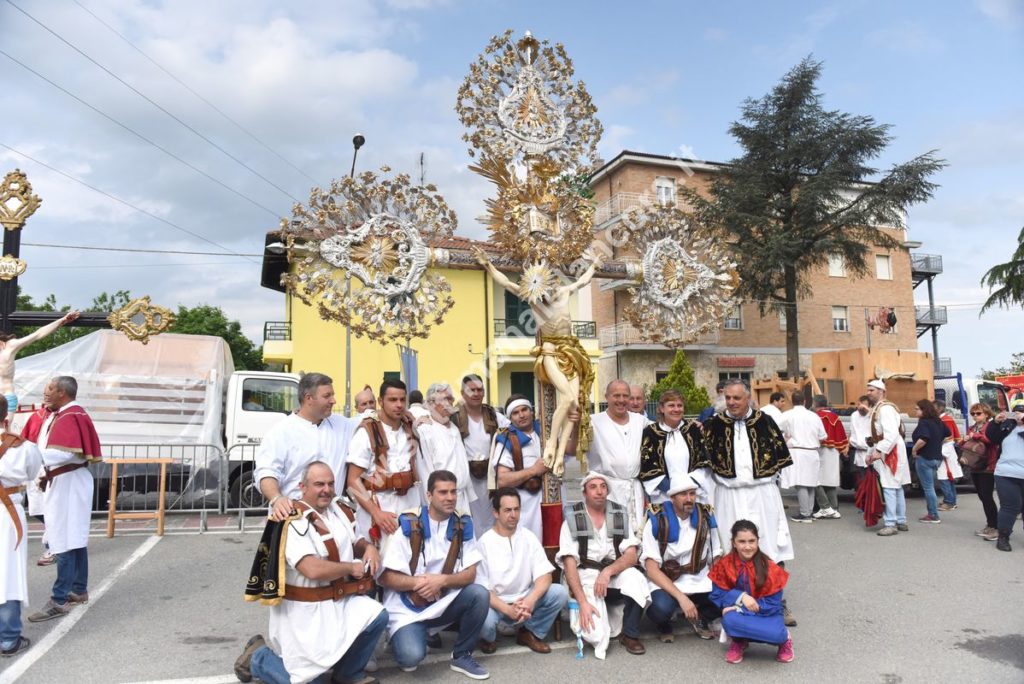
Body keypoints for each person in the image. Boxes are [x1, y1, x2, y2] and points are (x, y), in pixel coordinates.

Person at [235, 462, 386, 684]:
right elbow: (311, 569)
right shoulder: (292, 519)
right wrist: (350, 568)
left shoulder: (339, 510)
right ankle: (258, 657)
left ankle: (348, 673)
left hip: (338, 604)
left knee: (377, 615)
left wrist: (370, 548)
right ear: (302, 486)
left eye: (330, 484)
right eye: (319, 484)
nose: (326, 489)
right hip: (304, 616)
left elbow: (355, 541)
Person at [474, 247, 601, 477]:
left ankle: (560, 454)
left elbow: (583, 281)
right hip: (550, 351)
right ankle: (551, 444)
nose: (548, 289)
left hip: (571, 350)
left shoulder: (564, 292)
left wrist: (594, 266)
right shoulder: (534, 302)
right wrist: (488, 264)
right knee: (570, 397)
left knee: (573, 403)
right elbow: (506, 284)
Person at [691, 379, 795, 625]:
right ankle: (731, 601)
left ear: (748, 398)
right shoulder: (714, 425)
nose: (731, 403)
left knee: (768, 545)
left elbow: (780, 458)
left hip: (762, 493)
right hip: (728, 494)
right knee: (729, 547)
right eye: (728, 398)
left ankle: (776, 603)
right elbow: (703, 465)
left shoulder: (765, 422)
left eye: (736, 398)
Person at [378, 470, 490, 679]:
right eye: (443, 492)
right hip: (407, 608)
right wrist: (420, 583)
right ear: (429, 496)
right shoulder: (408, 523)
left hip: (442, 601)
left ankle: (462, 655)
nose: (450, 498)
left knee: (479, 594)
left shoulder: (462, 523)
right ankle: (406, 637)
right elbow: (385, 577)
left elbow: (470, 574)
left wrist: (441, 581)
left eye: (453, 492)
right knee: (411, 658)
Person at [23, 377, 101, 622]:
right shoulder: (65, 414)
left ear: (63, 393)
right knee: (73, 536)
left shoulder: (70, 416)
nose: (45, 394)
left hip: (68, 483)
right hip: (68, 482)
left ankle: (59, 599)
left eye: (50, 390)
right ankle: (78, 589)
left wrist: (24, 454)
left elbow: (62, 453)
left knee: (63, 539)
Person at [557, 472, 650, 659]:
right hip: (585, 577)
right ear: (584, 493)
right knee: (596, 636)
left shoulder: (619, 514)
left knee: (637, 579)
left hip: (611, 574)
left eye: (603, 487)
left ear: (607, 491)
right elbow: (569, 564)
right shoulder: (573, 518)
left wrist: (608, 571)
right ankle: (598, 608)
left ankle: (630, 634)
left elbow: (631, 555)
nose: (599, 491)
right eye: (593, 487)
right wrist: (582, 602)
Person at [477, 487, 567, 654]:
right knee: (483, 619)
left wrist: (530, 601)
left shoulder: (528, 536)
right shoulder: (484, 543)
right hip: (497, 604)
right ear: (496, 513)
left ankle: (529, 633)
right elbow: (482, 590)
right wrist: (507, 610)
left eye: (516, 509)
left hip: (524, 601)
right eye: (507, 510)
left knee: (559, 593)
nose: (513, 515)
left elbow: (545, 575)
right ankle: (488, 638)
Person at [254, 373, 352, 523]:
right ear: (308, 398)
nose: (333, 401)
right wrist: (277, 499)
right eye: (327, 396)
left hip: (333, 519)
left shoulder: (342, 425)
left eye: (332, 395)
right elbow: (266, 473)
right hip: (295, 518)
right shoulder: (281, 432)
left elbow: (371, 419)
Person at [641, 477, 723, 642]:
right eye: (683, 494)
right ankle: (664, 623)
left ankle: (702, 617)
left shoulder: (705, 516)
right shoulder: (657, 520)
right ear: (672, 498)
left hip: (699, 577)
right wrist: (681, 597)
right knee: (660, 609)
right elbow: (651, 569)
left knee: (726, 594)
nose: (689, 498)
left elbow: (716, 555)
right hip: (667, 580)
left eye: (692, 494)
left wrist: (724, 582)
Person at [346, 378, 422, 540]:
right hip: (379, 509)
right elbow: (353, 481)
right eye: (392, 400)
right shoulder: (367, 432)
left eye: (402, 400)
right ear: (381, 401)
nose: (399, 405)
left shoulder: (410, 427)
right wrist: (377, 513)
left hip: (409, 507)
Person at [709, 520, 793, 664]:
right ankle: (739, 640)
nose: (747, 547)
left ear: (757, 541)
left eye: (751, 541)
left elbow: (773, 604)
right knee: (729, 621)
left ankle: (784, 641)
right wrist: (741, 596)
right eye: (742, 541)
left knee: (777, 635)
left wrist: (740, 607)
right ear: (733, 543)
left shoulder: (769, 567)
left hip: (767, 613)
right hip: (739, 614)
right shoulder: (724, 565)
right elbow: (717, 594)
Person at [0, 400, 42, 657]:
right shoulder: (22, 447)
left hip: (8, 511)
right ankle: (7, 637)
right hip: (8, 512)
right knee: (8, 571)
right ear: (6, 417)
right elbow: (33, 470)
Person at [587, 380, 648, 534]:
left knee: (638, 535)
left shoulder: (640, 421)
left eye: (625, 396)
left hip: (634, 489)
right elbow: (571, 448)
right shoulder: (593, 422)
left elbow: (662, 431)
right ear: (606, 396)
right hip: (607, 490)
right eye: (616, 395)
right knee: (611, 538)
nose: (621, 400)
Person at [455, 374, 510, 537]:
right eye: (472, 390)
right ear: (463, 393)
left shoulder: (494, 416)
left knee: (491, 516)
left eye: (480, 390)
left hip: (490, 477)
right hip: (467, 479)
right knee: (468, 518)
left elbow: (511, 430)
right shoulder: (455, 417)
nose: (476, 393)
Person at [0, 311, 79, 415]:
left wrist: (62, 320)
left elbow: (38, 334)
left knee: (3, 430)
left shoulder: (10, 346)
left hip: (6, 396)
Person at [493, 396, 549, 541]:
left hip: (553, 504)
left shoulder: (546, 432)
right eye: (516, 412)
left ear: (532, 412)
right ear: (510, 418)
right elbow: (502, 480)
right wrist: (533, 470)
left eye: (524, 410)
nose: (522, 415)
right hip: (526, 509)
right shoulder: (507, 440)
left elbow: (569, 450)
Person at [639, 390, 705, 508]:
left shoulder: (693, 429)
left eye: (679, 405)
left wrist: (686, 490)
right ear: (661, 408)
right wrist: (675, 490)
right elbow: (648, 466)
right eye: (671, 405)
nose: (676, 409)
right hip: (664, 497)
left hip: (692, 495)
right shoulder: (650, 432)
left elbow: (703, 461)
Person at [417, 383, 476, 513]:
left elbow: (461, 463)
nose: (449, 403)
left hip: (461, 498)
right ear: (431, 404)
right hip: (441, 502)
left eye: (451, 399)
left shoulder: (454, 428)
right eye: (444, 399)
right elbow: (425, 471)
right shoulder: (425, 431)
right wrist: (432, 504)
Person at [865, 380, 911, 537]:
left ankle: (891, 522)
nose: (868, 392)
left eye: (871, 390)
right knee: (895, 486)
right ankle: (900, 520)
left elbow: (890, 434)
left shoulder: (885, 409)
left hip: (891, 451)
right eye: (868, 390)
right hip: (889, 449)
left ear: (881, 392)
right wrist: (871, 452)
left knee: (890, 486)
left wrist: (878, 450)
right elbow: (876, 435)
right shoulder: (879, 408)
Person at [777, 391, 825, 523]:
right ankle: (808, 512)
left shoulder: (788, 415)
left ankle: (805, 513)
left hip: (797, 451)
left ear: (792, 401)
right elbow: (823, 436)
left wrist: (786, 437)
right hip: (812, 451)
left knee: (801, 483)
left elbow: (774, 428)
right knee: (811, 482)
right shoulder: (814, 416)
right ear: (804, 401)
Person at [987, 400, 1024, 552]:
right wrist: (995, 422)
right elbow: (992, 437)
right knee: (1010, 506)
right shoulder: (1007, 426)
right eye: (1016, 412)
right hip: (1006, 473)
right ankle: (1003, 538)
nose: (1019, 415)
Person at [960, 403, 1000, 540]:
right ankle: (990, 525)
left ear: (987, 414)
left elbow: (991, 441)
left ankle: (995, 527)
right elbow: (964, 444)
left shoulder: (990, 426)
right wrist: (962, 440)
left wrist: (975, 436)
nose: (975, 416)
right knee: (983, 497)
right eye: (973, 414)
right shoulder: (972, 427)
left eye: (978, 413)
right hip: (975, 465)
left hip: (988, 466)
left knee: (987, 497)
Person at [910, 399, 950, 524]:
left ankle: (933, 514)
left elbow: (923, 439)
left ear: (924, 410)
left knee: (928, 488)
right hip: (937, 458)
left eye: (917, 409)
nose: (915, 411)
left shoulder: (924, 423)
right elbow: (947, 434)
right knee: (930, 486)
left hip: (925, 458)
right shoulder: (938, 421)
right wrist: (936, 443)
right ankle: (933, 513)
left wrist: (914, 450)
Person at [813, 394, 848, 520]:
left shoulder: (816, 417)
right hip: (834, 451)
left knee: (815, 479)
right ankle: (834, 508)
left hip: (819, 449)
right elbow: (842, 435)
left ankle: (825, 507)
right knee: (830, 479)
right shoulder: (835, 417)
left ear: (815, 404)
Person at [934, 399, 962, 512]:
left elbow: (948, 440)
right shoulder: (943, 419)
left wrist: (941, 453)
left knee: (944, 478)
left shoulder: (946, 420)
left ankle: (949, 502)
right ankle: (951, 500)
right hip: (945, 453)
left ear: (940, 408)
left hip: (945, 454)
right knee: (947, 479)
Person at [846, 396, 873, 490]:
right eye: (858, 405)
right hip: (857, 451)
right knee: (859, 478)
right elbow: (851, 431)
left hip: (870, 452)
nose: (860, 407)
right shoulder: (854, 415)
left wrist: (868, 410)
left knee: (871, 478)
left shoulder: (873, 415)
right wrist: (847, 446)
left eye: (863, 405)